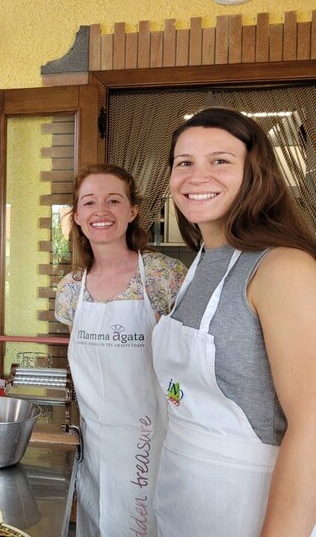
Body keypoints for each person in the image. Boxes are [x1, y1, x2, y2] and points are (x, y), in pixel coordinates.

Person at [152, 107, 316, 536]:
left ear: (256, 174)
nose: (196, 176)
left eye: (220, 161)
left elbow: (313, 423)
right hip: (185, 498)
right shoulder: (201, 263)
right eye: (184, 162)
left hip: (252, 504)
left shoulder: (283, 267)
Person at [54, 164, 187, 537]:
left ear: (131, 211)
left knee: (150, 521)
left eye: (114, 200)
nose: (102, 211)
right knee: (101, 518)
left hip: (155, 435)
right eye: (90, 202)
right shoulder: (70, 290)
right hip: (96, 437)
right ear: (77, 216)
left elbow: (188, 365)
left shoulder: (165, 276)